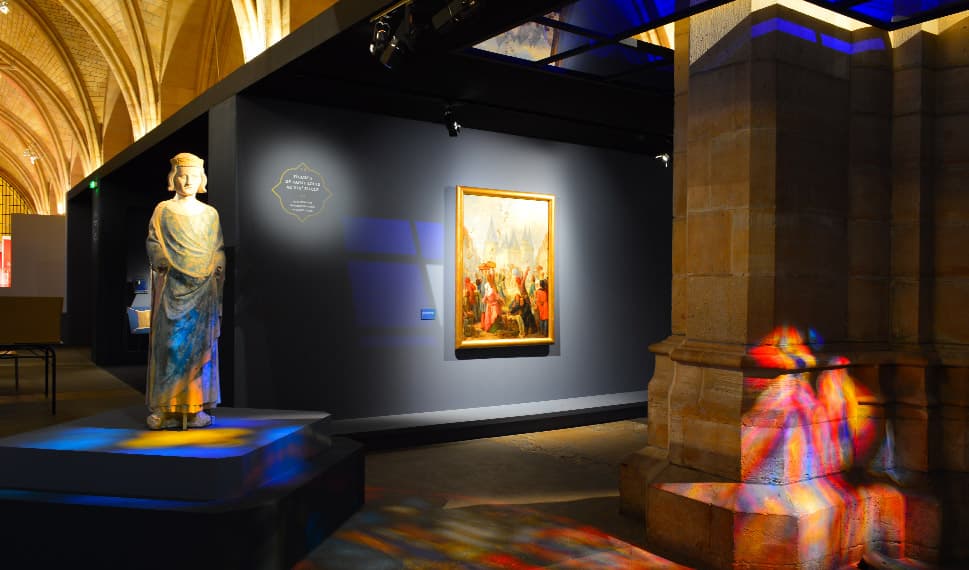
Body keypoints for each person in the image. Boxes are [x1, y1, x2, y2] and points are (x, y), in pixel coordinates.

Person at [145, 152, 225, 430]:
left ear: (202, 179)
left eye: (193, 175)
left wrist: (217, 265)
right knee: (170, 347)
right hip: (173, 289)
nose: (188, 181)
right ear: (173, 178)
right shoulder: (162, 210)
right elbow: (153, 242)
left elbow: (217, 249)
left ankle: (194, 409)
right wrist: (161, 259)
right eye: (182, 175)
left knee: (198, 353)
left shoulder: (210, 214)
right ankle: (165, 409)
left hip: (203, 291)